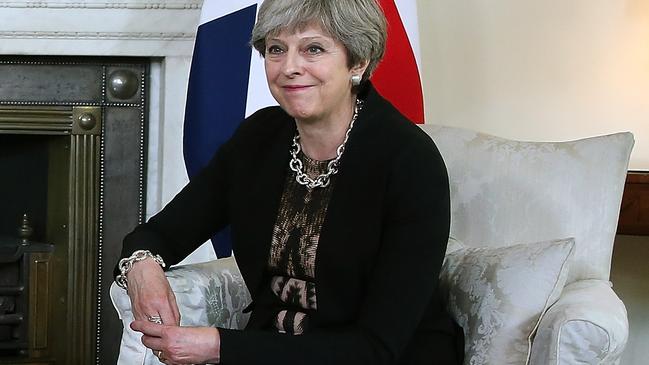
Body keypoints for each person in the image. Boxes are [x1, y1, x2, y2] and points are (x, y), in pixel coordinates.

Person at [115, 0, 463, 364]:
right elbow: (161, 234)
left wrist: (219, 346)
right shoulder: (259, 138)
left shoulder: (409, 161)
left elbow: (376, 347)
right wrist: (143, 268)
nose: (290, 68)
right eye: (276, 50)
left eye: (313, 49)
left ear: (358, 62)